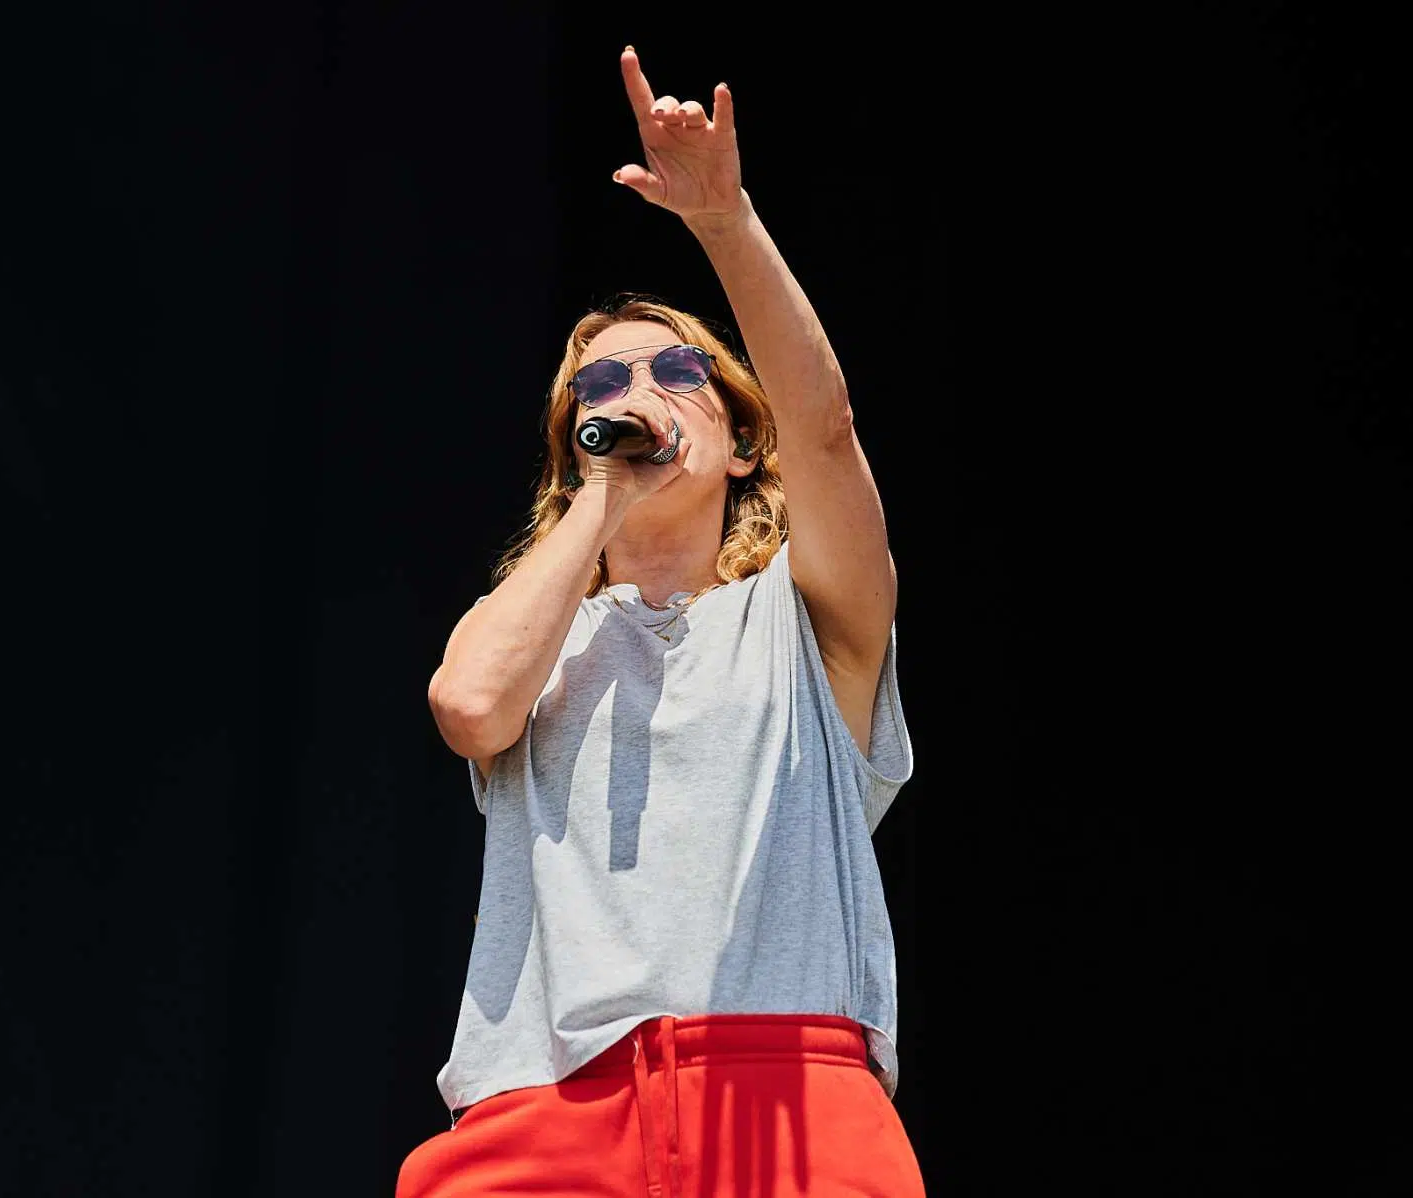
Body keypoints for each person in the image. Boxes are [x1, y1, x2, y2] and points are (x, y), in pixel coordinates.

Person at [397, 45, 922, 1198]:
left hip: (780, 1093)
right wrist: (604, 490)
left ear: (739, 438)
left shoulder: (802, 620)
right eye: (598, 387)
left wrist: (725, 224)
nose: (633, 395)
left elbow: (826, 428)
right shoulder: (541, 637)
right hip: (547, 1107)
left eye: (673, 370)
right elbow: (471, 705)